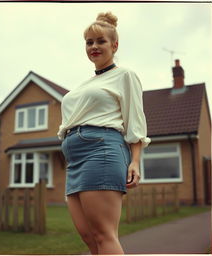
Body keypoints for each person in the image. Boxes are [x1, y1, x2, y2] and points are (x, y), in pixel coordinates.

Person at [57, 12, 151, 255]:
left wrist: (135, 162)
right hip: (74, 160)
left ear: (114, 45)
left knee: (104, 234)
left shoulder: (125, 75)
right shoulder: (85, 84)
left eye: (100, 41)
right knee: (89, 238)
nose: (94, 46)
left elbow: (135, 122)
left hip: (102, 150)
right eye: (89, 42)